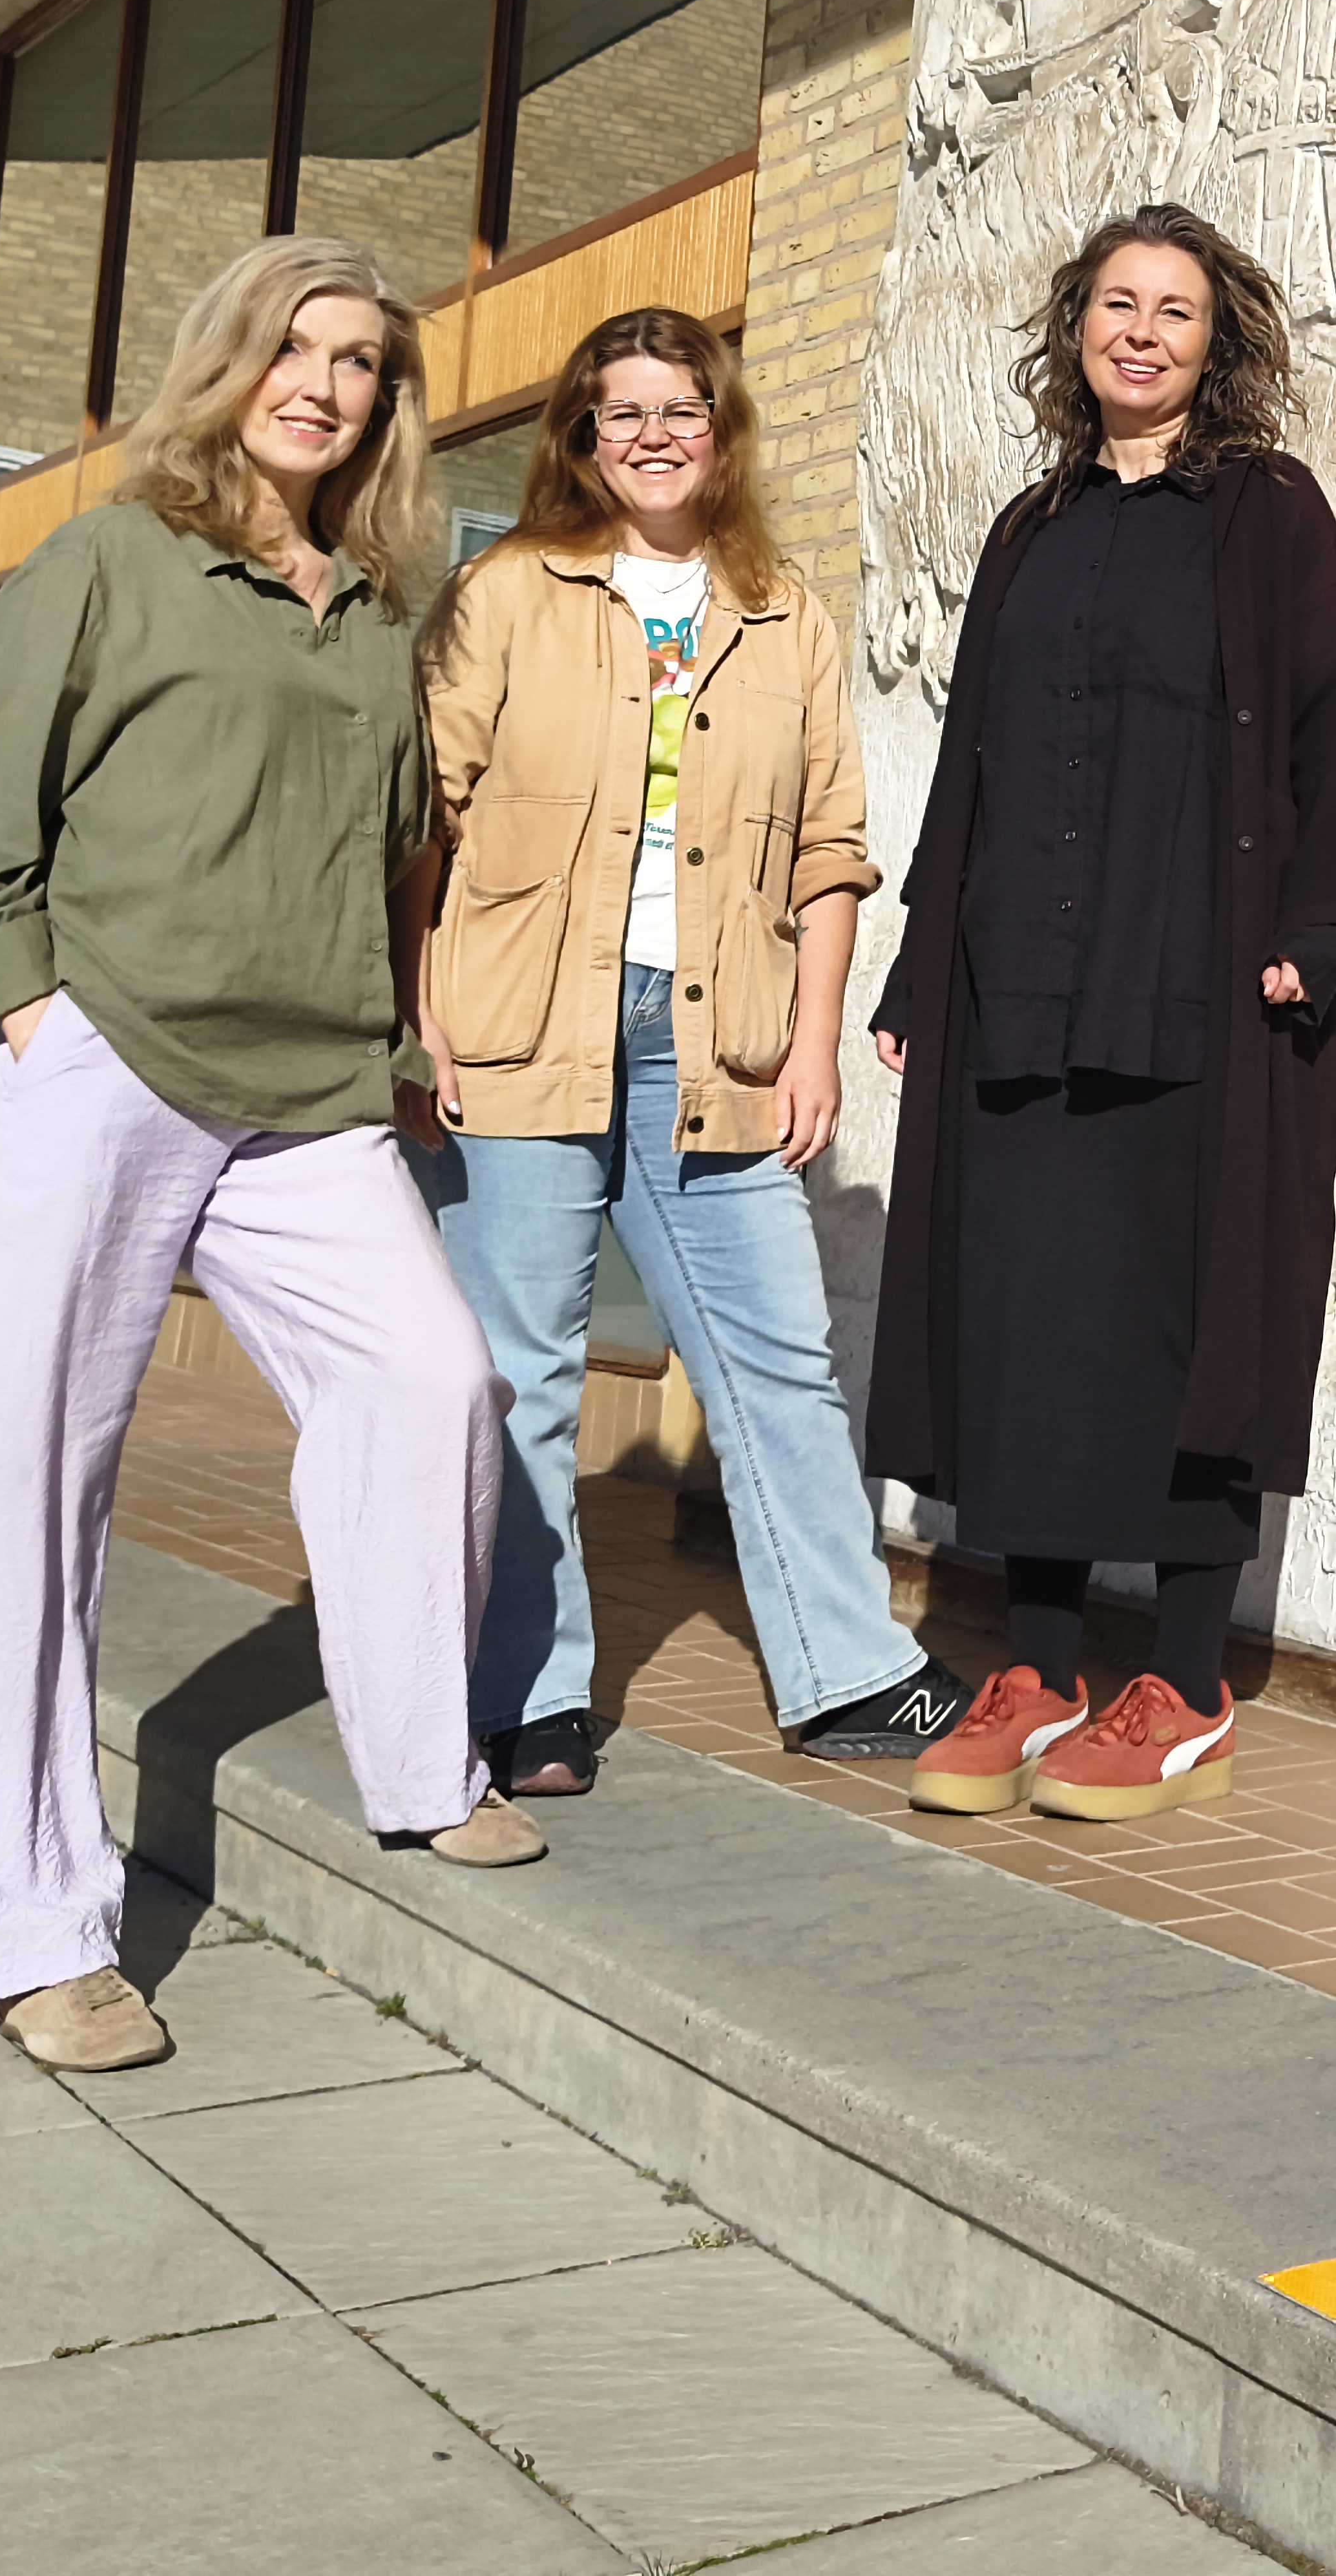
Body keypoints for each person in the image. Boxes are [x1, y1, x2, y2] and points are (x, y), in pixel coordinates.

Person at [0, 237, 528, 2078]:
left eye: (361, 364)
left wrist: (394, 1043)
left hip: (306, 1094)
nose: (325, 384)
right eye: (295, 349)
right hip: (90, 1062)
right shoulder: (114, 557)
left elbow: (390, 850)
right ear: (231, 362)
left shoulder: (380, 607)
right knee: (20, 1492)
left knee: (433, 1381)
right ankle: (22, 1932)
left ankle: (420, 1763)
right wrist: (24, 1009)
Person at [869, 204, 1336, 1821]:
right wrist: (912, 969)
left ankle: (1182, 1675)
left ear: (1217, 342)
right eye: (1115, 304)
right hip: (1017, 975)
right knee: (1022, 1313)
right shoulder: (1031, 529)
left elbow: (1324, 723)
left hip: (1200, 981)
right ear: (1074, 330)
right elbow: (972, 761)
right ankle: (1032, 1664)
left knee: (1183, 1317)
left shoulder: (1269, 516)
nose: (1141, 332)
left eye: (1174, 310)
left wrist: (1320, 922)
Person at [421, 309, 975, 1791]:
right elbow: (427, 813)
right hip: (525, 1027)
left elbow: (835, 852)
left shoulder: (781, 611)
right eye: (624, 412)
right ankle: (528, 1696)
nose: (657, 434)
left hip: (712, 1044)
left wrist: (813, 1048)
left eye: (684, 409)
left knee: (779, 1363)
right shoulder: (507, 593)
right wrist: (426, 997)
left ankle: (848, 1674)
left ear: (721, 434)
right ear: (581, 438)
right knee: (521, 1378)